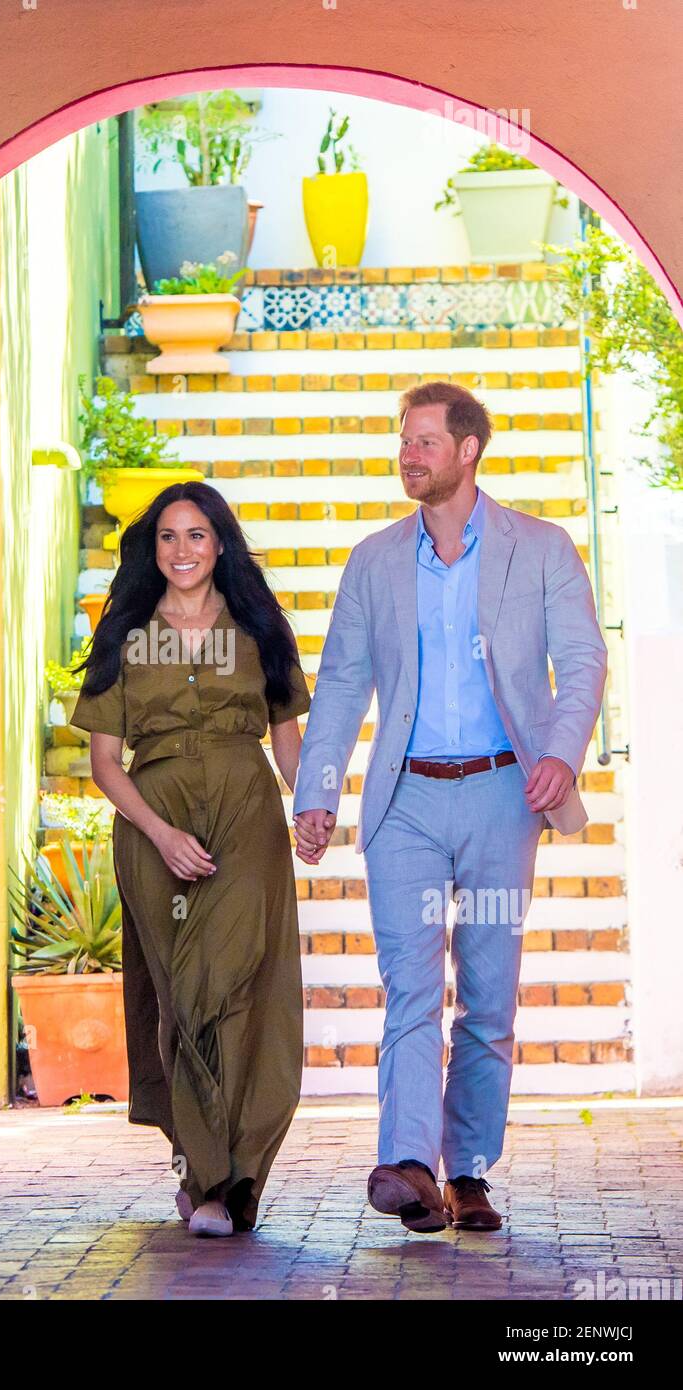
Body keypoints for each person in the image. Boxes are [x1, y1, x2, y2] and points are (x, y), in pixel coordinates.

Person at [292, 382, 607, 1233]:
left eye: (425, 442)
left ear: (467, 450)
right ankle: (406, 1164)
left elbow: (580, 660)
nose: (409, 455)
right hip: (405, 803)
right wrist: (317, 791)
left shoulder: (539, 549)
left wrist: (559, 752)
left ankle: (466, 1170)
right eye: (405, 441)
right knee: (409, 990)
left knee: (490, 993)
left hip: (505, 792)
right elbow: (342, 686)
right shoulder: (374, 560)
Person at [69, 480, 311, 1237]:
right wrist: (160, 833)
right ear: (154, 548)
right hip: (154, 824)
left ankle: (236, 1173)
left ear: (220, 546)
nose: (182, 550)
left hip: (246, 817)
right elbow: (106, 763)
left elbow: (286, 738)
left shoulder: (257, 625)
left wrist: (311, 807)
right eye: (168, 537)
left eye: (197, 536)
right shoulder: (126, 632)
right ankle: (204, 1170)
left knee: (240, 985)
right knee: (181, 997)